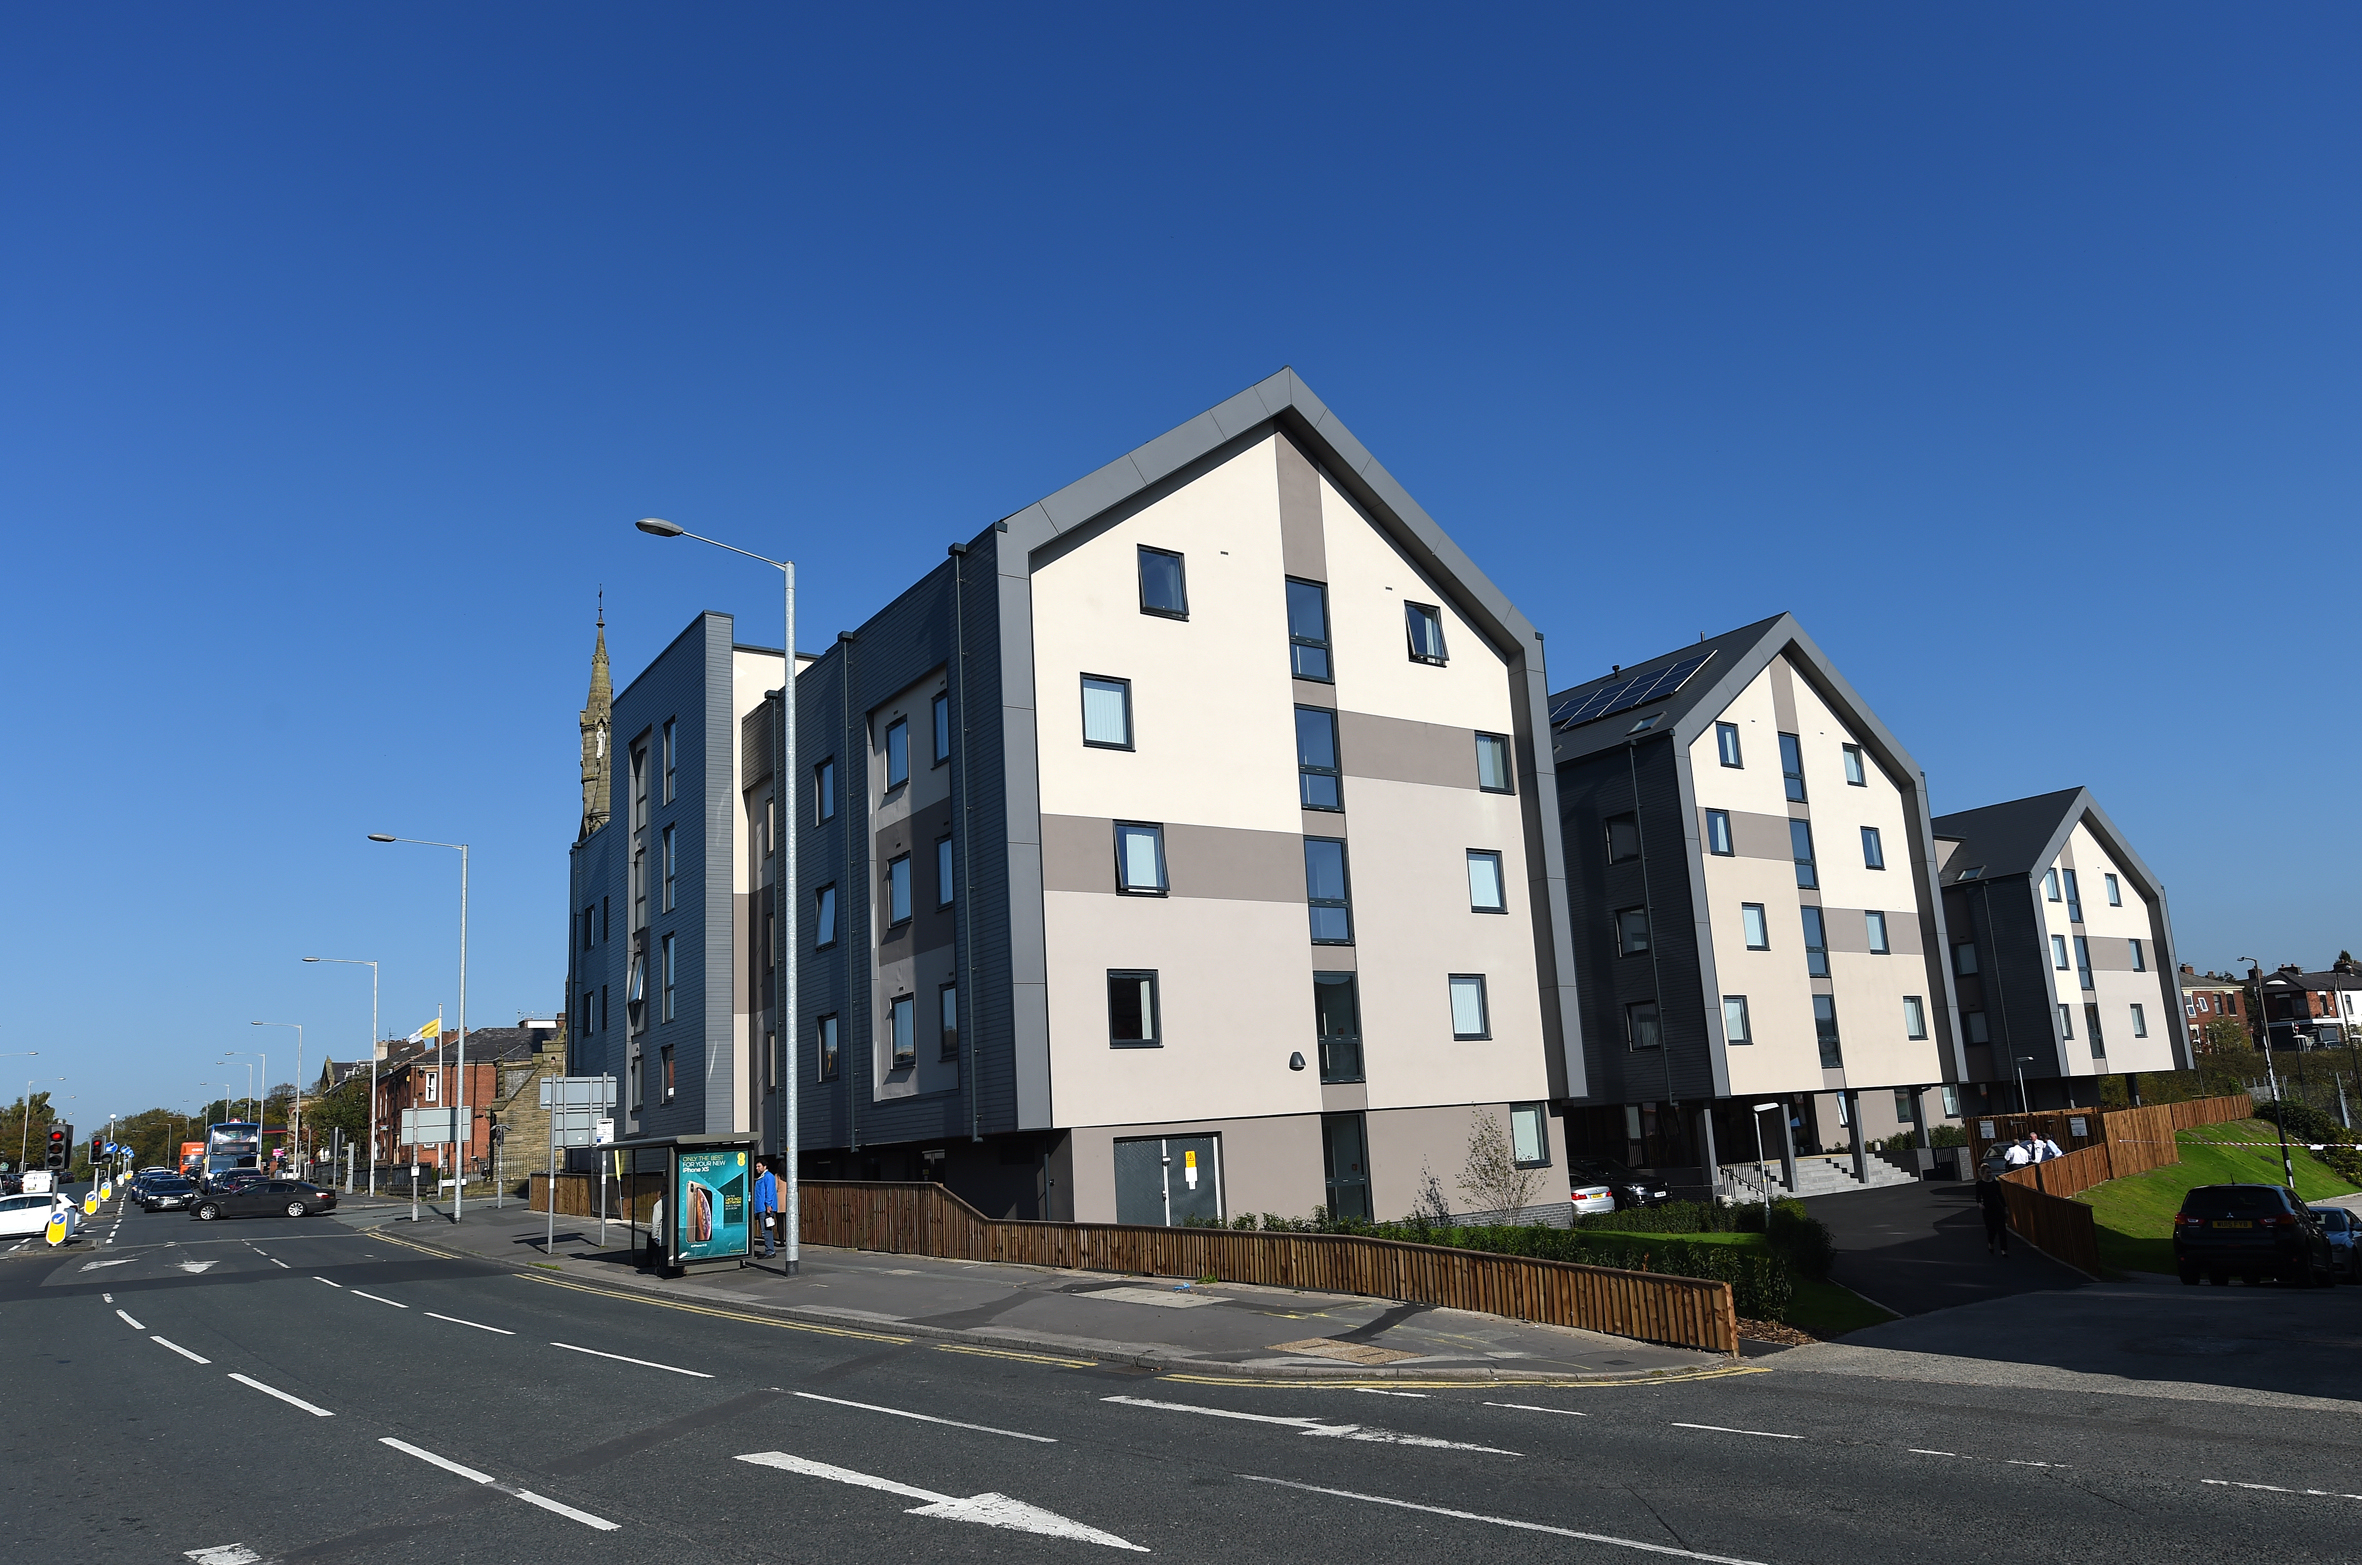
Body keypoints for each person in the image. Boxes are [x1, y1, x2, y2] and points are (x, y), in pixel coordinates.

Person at [1975, 1163, 2011, 1256]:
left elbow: (2000, 1196)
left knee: (2002, 1229)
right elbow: (1978, 1196)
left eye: (1990, 1172)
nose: (1990, 1174)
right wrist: (1979, 1203)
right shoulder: (1980, 1184)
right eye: (1988, 1173)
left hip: (1997, 1207)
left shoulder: (1995, 1183)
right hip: (1987, 1208)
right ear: (1983, 1173)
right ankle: (1990, 1243)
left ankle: (2003, 1250)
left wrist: (2005, 1208)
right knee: (1991, 1229)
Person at [752, 1158, 781, 1259]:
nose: (757, 1168)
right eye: (756, 1166)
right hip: (761, 1207)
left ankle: (770, 1251)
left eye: (759, 1166)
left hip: (764, 1208)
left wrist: (769, 1205)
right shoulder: (763, 1177)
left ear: (764, 1166)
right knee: (765, 1230)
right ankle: (769, 1250)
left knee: (766, 1230)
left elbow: (770, 1191)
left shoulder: (768, 1177)